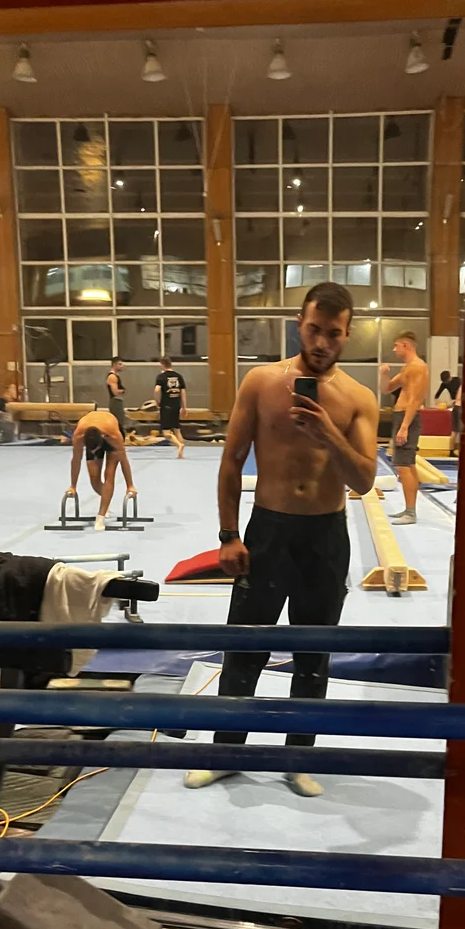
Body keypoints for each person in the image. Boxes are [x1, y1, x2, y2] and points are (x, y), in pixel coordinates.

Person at [184, 281, 379, 798]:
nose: (322, 342)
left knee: (313, 655)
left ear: (347, 334)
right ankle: (226, 753)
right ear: (299, 324)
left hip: (325, 537)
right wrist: (228, 535)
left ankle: (298, 758)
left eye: (333, 334)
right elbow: (231, 462)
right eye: (314, 330)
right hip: (268, 531)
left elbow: (363, 480)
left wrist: (327, 433)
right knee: (244, 647)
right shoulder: (261, 382)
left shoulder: (359, 398)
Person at [380, 331, 429, 525]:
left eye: (396, 346)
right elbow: (387, 388)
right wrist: (384, 374)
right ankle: (410, 509)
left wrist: (405, 427)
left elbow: (415, 399)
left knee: (403, 465)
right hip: (403, 416)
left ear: (406, 345)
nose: (394, 350)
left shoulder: (418, 367)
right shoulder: (408, 368)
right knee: (408, 464)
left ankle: (410, 512)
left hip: (408, 418)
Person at [67, 409, 137, 532]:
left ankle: (101, 516)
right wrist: (73, 486)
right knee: (94, 480)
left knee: (109, 474)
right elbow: (76, 461)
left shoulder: (113, 435)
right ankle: (106, 501)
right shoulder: (78, 436)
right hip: (93, 435)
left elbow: (124, 460)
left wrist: (130, 485)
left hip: (110, 431)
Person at [153, 356, 188, 458]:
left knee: (166, 432)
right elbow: (183, 392)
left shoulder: (161, 377)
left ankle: (179, 445)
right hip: (176, 405)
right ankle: (181, 454)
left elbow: (156, 390)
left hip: (166, 406)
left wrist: (157, 401)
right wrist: (184, 407)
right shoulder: (179, 376)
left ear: (162, 364)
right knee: (177, 429)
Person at [435, 368, 463, 455]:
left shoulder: (457, 380)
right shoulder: (459, 383)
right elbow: (437, 395)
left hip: (456, 406)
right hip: (459, 406)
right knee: (459, 430)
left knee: (454, 430)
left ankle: (451, 450)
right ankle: (454, 449)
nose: (447, 383)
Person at [106, 359, 126, 434]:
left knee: (121, 422)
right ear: (114, 365)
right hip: (115, 402)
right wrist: (123, 391)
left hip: (117, 401)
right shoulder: (112, 377)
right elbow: (115, 392)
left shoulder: (116, 376)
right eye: (120, 364)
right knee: (118, 423)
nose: (122, 366)